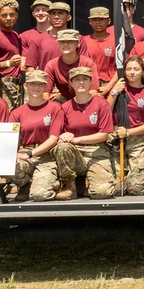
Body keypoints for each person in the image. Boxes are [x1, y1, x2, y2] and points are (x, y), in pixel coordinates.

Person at [50, 66, 118, 200]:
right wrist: (63, 136)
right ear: (71, 83)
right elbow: (57, 134)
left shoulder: (101, 104)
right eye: (77, 80)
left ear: (91, 82)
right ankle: (69, 185)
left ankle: (86, 182)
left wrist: (77, 139)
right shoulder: (64, 107)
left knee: (102, 193)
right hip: (75, 154)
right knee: (63, 147)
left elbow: (104, 135)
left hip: (97, 152)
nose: (81, 83)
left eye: (85, 79)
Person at [8, 70, 63, 202]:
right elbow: (10, 139)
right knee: (7, 165)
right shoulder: (17, 112)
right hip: (24, 153)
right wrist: (13, 154)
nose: (36, 88)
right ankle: (25, 185)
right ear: (25, 86)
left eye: (40, 85)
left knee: (40, 195)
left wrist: (30, 153)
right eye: (32, 84)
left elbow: (54, 138)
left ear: (45, 87)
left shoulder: (54, 108)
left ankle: (53, 183)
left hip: (46, 156)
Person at [107, 55, 144, 196]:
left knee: (137, 190)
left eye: (136, 69)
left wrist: (129, 132)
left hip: (138, 140)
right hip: (117, 139)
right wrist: (114, 92)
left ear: (143, 72)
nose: (132, 72)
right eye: (128, 69)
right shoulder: (119, 90)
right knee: (116, 190)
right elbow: (105, 111)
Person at [43, 30, 97, 102]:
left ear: (78, 44)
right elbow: (45, 92)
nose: (65, 45)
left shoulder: (87, 63)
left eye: (70, 42)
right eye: (62, 42)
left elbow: (93, 91)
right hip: (63, 99)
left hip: (85, 100)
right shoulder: (52, 65)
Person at [0, 0, 24, 109]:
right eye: (4, 15)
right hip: (2, 85)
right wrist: (9, 63)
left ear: (17, 15)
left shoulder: (15, 35)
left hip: (16, 84)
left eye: (12, 15)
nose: (8, 18)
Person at [82, 6, 118, 97]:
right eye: (94, 19)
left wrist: (109, 87)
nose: (97, 22)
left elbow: (122, 67)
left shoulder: (117, 41)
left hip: (111, 84)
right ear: (90, 22)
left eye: (101, 19)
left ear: (108, 21)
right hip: (88, 84)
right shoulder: (83, 41)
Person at [19, 0, 53, 71]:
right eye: (37, 10)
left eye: (44, 10)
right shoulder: (25, 36)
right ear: (33, 14)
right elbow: (23, 65)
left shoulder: (57, 34)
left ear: (50, 13)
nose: (40, 13)